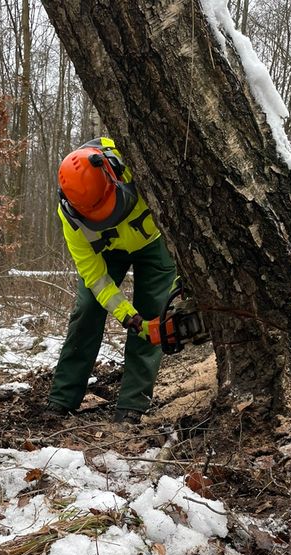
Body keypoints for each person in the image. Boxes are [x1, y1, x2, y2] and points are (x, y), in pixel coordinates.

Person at [47, 137, 178, 424]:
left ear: (112, 170)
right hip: (107, 254)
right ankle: (62, 398)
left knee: (153, 314)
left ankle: (133, 404)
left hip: (154, 242)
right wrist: (125, 315)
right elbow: (94, 276)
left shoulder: (136, 158)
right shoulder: (71, 219)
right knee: (87, 310)